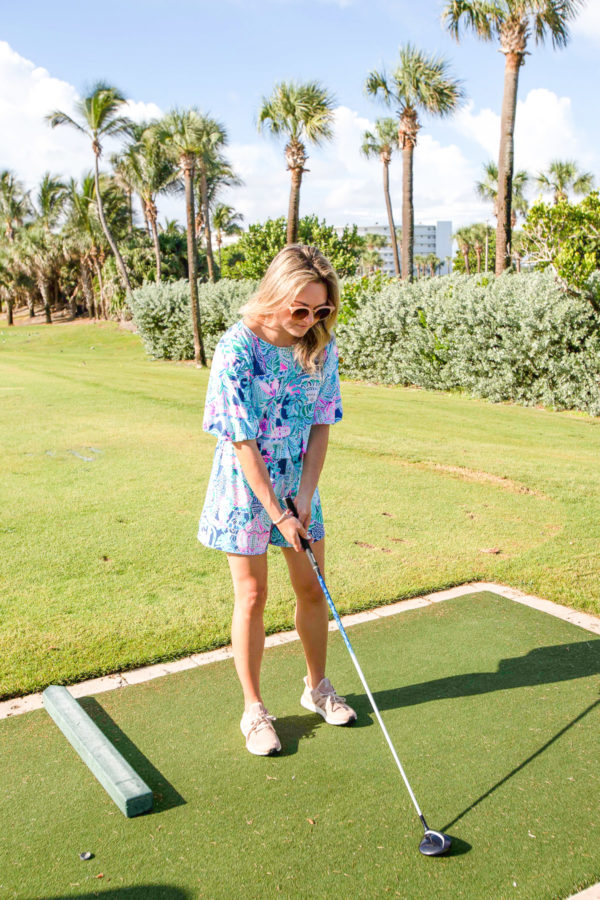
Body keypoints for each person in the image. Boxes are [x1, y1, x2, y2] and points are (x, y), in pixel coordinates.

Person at [198, 244, 356, 756]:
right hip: (247, 487)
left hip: (296, 480)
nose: (311, 320)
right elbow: (241, 441)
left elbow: (321, 422)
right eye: (301, 310)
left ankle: (317, 688)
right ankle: (254, 709)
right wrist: (277, 513)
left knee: (313, 589)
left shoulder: (319, 346)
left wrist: (304, 497)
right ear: (276, 295)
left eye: (322, 310)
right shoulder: (235, 348)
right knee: (252, 596)